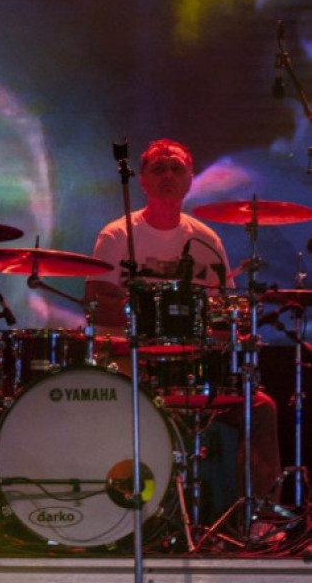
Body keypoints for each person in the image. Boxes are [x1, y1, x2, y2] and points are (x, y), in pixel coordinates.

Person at [85, 138, 282, 523]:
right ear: (142, 180)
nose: (168, 175)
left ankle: (257, 520)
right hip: (132, 364)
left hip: (191, 368)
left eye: (176, 169)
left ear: (190, 179)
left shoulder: (206, 239)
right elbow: (95, 303)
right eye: (159, 168)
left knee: (261, 407)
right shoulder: (118, 235)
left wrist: (236, 330)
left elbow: (224, 311)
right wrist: (153, 313)